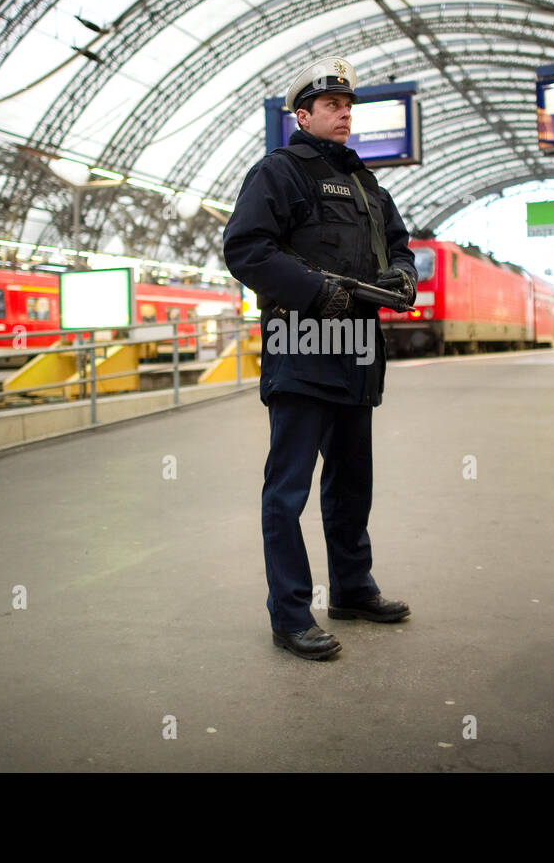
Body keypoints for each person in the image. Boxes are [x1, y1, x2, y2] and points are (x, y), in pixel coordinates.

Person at [223, 55, 418, 661]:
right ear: (302, 115)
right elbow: (246, 248)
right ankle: (290, 613)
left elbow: (401, 245)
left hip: (356, 353)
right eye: (332, 106)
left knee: (351, 483)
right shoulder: (279, 173)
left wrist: (404, 276)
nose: (344, 115)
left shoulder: (367, 185)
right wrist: (315, 290)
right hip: (302, 349)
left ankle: (353, 590)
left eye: (348, 106)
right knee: (288, 491)